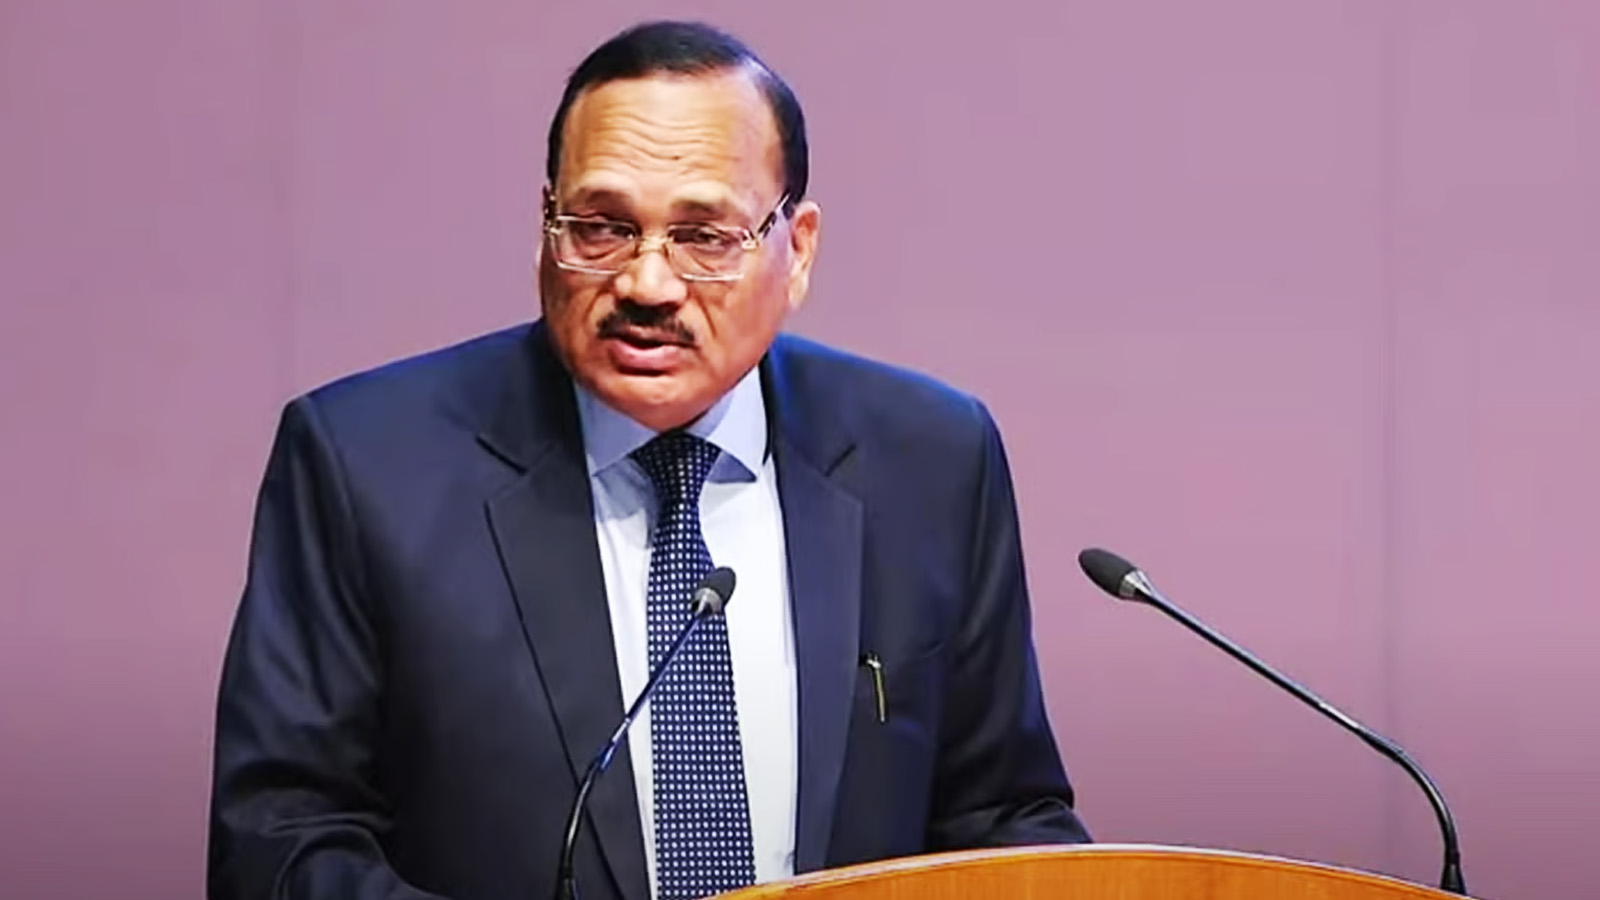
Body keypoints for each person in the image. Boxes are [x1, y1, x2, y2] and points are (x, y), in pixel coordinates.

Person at [206, 19, 1090, 900]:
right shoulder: (366, 465)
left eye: (705, 237)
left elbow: (1002, 820)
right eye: (602, 228)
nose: (647, 284)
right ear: (544, 224)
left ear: (798, 249)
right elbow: (278, 846)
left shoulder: (930, 461)